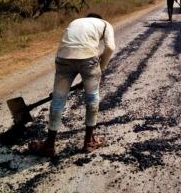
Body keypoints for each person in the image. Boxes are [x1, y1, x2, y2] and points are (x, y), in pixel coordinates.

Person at [28, 13, 115, 157]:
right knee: (92, 98)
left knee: (58, 99)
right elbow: (110, 47)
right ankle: (89, 142)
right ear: (100, 19)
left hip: (63, 58)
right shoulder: (105, 24)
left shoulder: (76, 21)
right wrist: (100, 68)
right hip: (88, 59)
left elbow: (68, 43)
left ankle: (49, 145)